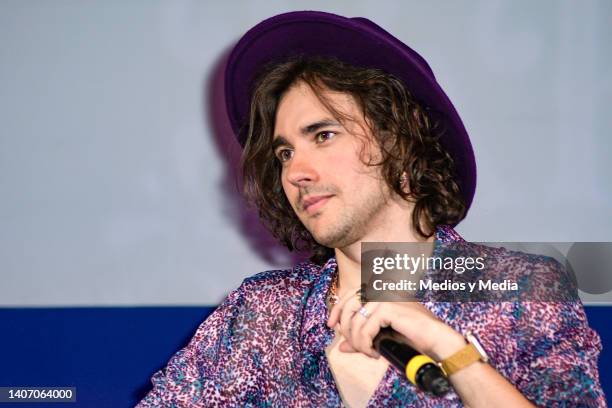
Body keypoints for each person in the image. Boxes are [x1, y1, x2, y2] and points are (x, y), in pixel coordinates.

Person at [137, 11, 605, 407]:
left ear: (401, 138)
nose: (295, 171)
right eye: (284, 154)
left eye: (323, 135)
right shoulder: (263, 312)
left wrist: (450, 350)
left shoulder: (519, 291)